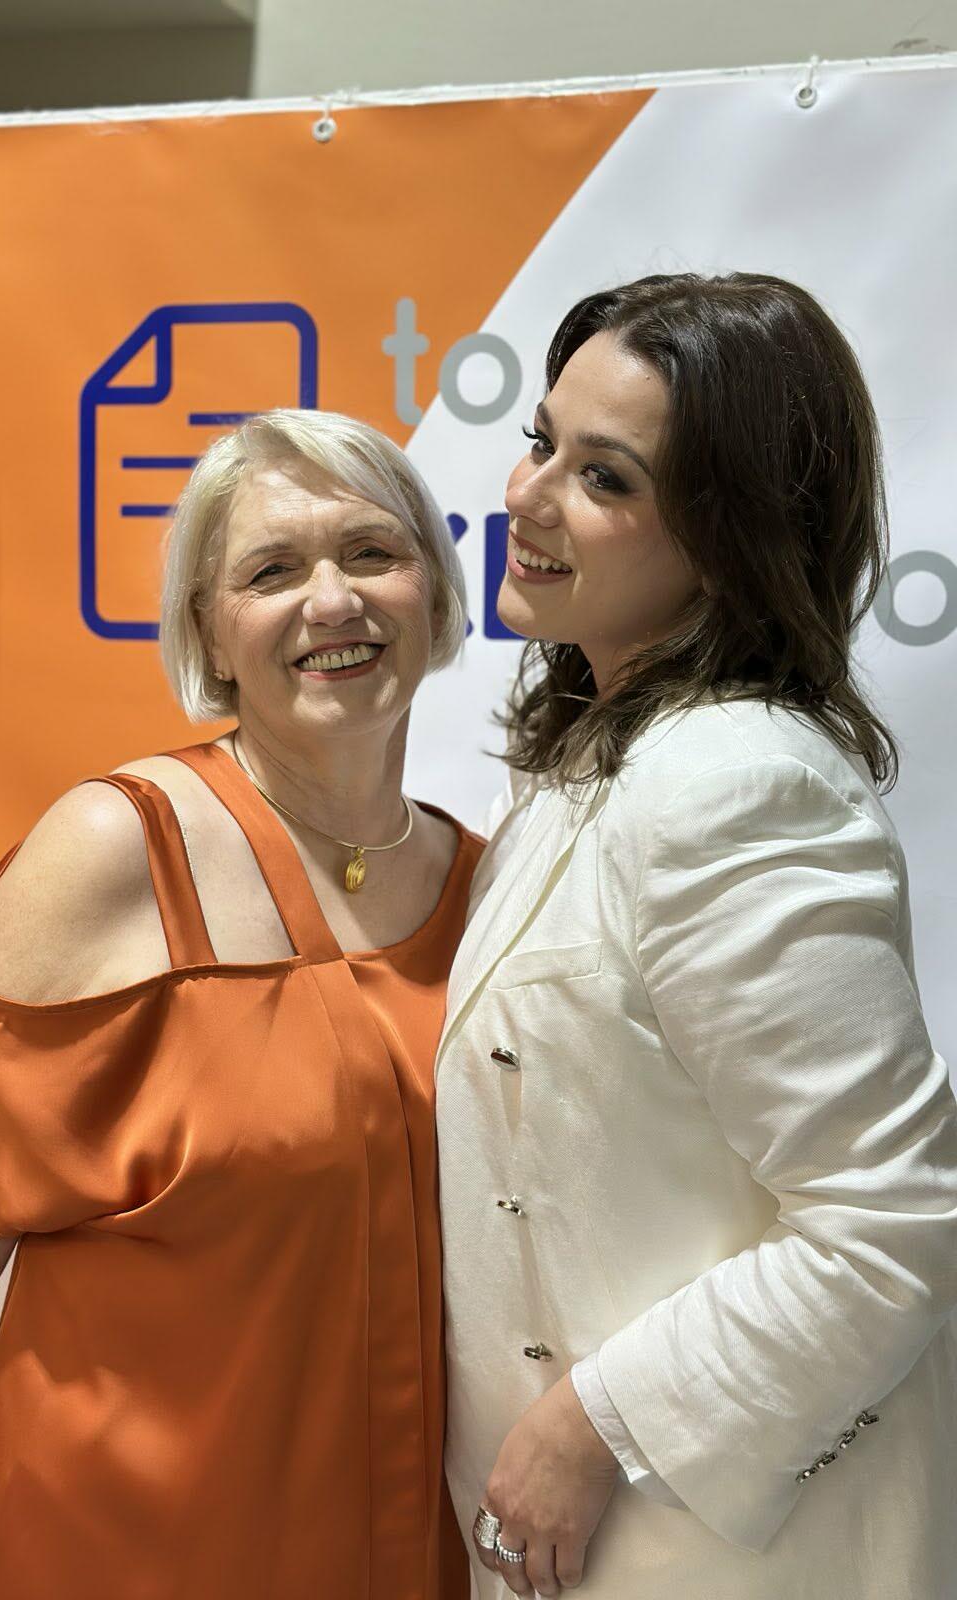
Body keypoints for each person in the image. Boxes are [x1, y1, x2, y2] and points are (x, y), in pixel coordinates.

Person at [0, 410, 481, 1600]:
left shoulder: (495, 892)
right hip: (108, 1555)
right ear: (209, 629)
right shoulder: (117, 848)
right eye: (272, 570)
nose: (333, 600)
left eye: (372, 552)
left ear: (437, 588)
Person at [437, 272, 957, 1598]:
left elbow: (895, 1222)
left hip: (722, 1549)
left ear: (729, 537)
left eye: (604, 478)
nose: (529, 497)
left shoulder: (738, 780)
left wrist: (594, 1424)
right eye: (542, 442)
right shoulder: (593, 766)